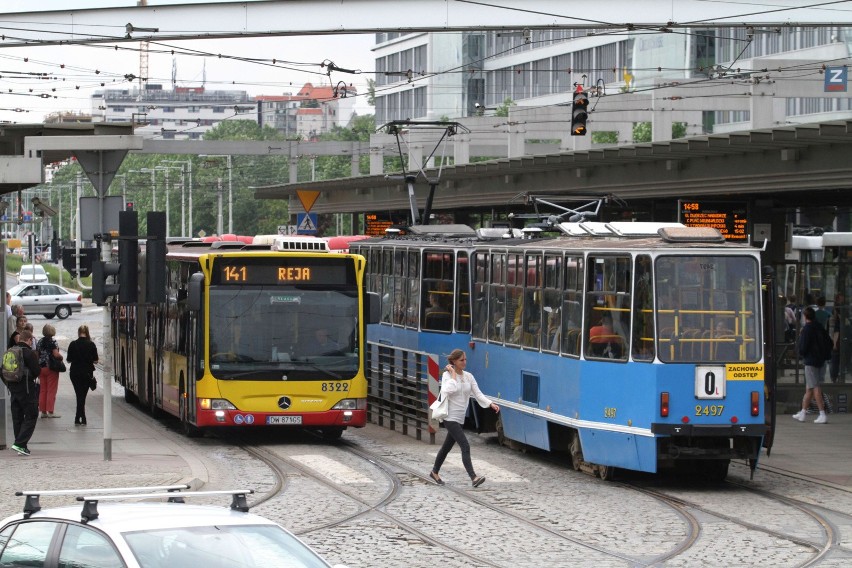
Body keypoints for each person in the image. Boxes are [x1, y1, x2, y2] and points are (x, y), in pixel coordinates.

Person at [429, 349, 500, 488]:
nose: (464, 362)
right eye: (461, 360)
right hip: (450, 417)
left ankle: (434, 471)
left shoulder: (469, 376)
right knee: (465, 445)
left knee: (446, 447)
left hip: (460, 418)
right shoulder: (447, 376)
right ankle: (473, 477)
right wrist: (453, 374)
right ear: (454, 361)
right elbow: (448, 390)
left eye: (465, 359)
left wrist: (490, 403)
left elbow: (478, 394)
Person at [5, 329, 42, 455]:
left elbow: (2, 371)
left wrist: (10, 385)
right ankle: (20, 444)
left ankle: (20, 445)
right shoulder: (29, 353)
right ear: (29, 340)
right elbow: (37, 371)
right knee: (32, 415)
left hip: (13, 390)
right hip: (26, 389)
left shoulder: (10, 351)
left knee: (18, 418)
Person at [793, 307, 828, 424]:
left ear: (805, 316)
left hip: (810, 361)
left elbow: (803, 347)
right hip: (820, 360)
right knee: (809, 388)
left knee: (815, 387)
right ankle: (803, 412)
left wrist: (800, 353)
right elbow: (829, 341)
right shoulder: (819, 327)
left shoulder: (807, 329)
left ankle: (822, 413)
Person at [67, 324, 99, 426]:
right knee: (83, 395)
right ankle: (82, 417)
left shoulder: (73, 344)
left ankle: (79, 417)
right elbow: (96, 360)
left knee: (78, 394)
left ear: (78, 332)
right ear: (87, 332)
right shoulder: (91, 344)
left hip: (75, 372)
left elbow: (68, 359)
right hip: (87, 373)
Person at [36, 324, 63, 418]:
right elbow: (56, 354)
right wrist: (61, 357)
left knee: (43, 390)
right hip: (51, 368)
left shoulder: (39, 341)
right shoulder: (53, 342)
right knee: (51, 390)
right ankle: (51, 411)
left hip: (41, 368)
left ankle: (43, 412)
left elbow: (37, 354)